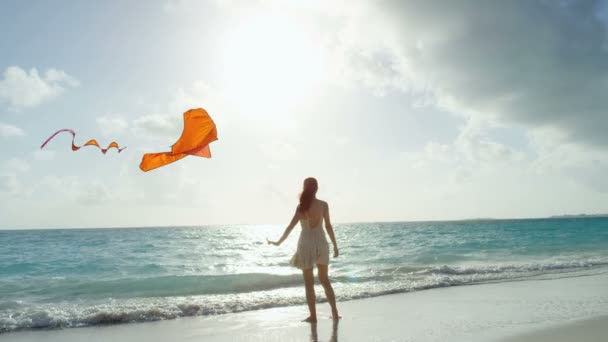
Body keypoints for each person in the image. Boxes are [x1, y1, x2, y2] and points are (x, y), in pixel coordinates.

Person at [267, 177, 340, 322]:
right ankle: (335, 313)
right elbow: (328, 227)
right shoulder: (324, 205)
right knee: (325, 280)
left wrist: (279, 242)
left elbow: (290, 227)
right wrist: (335, 245)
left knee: (309, 284)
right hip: (321, 243)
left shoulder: (301, 207)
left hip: (305, 244)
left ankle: (313, 316)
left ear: (305, 188)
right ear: (316, 188)